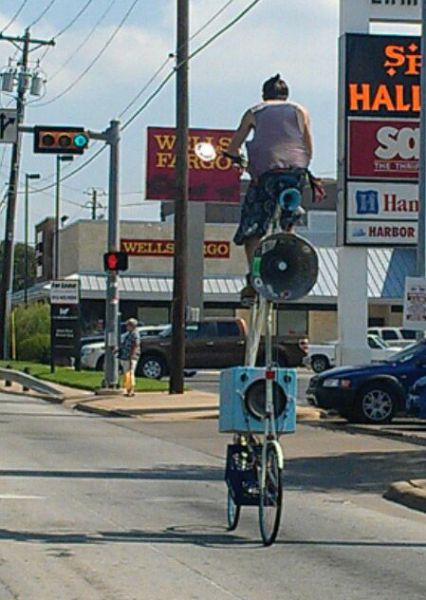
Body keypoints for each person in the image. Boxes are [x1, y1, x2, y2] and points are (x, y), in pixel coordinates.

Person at [226, 74, 324, 301]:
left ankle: (254, 277)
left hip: (265, 175)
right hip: (295, 173)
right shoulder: (300, 110)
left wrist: (240, 162)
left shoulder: (254, 111)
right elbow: (308, 147)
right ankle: (288, 249)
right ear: (286, 95)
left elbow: (233, 147)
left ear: (264, 95)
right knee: (287, 219)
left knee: (252, 227)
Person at [120, 318, 140, 397]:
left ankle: (130, 390)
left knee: (130, 373)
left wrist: (132, 356)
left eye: (128, 325)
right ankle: (128, 389)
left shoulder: (135, 334)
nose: (127, 326)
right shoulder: (129, 334)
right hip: (125, 356)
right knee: (127, 373)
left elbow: (135, 345)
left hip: (130, 357)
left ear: (132, 326)